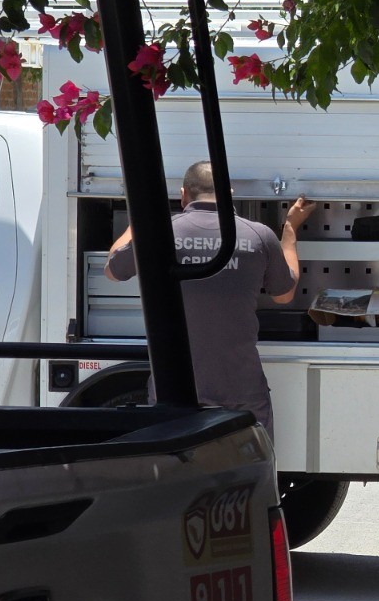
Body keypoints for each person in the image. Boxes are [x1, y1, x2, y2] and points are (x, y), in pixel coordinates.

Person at [105, 161, 314, 437]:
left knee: (180, 475)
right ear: (230, 192)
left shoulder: (160, 232)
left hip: (175, 390)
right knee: (247, 474)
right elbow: (285, 294)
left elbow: (112, 270)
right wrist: (289, 234)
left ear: (183, 195)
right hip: (242, 388)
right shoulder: (259, 235)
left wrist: (141, 220)